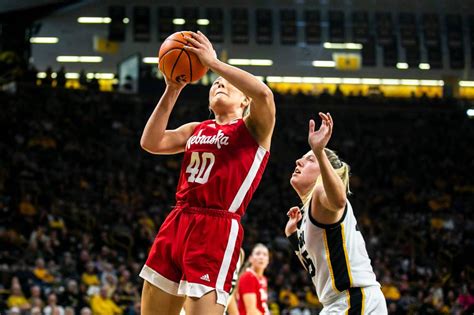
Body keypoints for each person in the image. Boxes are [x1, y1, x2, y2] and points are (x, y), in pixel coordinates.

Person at [139, 30, 276, 315]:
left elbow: (263, 93)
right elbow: (150, 142)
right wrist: (172, 89)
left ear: (244, 101)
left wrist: (213, 63)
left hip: (216, 226)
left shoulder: (253, 129)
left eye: (226, 83)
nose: (218, 84)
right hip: (178, 220)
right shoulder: (195, 129)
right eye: (214, 83)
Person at [284, 113, 387, 314]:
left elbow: (338, 200)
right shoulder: (308, 212)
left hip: (354, 299)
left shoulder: (322, 193)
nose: (298, 161)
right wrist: (293, 237)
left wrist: (319, 151)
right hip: (340, 302)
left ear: (324, 171)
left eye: (310, 159)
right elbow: (318, 267)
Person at [237, 244, 270, 315]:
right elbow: (251, 311)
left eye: (265, 255)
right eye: (258, 254)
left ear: (268, 261)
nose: (261, 257)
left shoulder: (264, 279)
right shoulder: (248, 277)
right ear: (250, 258)